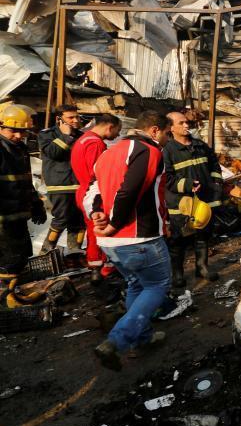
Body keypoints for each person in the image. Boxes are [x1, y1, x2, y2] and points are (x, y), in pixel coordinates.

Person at [83, 111, 172, 371]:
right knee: (157, 285)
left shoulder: (109, 152)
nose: (166, 139)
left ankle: (141, 339)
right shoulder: (147, 151)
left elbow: (93, 190)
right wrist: (114, 223)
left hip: (112, 243)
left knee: (136, 284)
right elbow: (130, 190)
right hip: (138, 235)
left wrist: (97, 214)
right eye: (166, 133)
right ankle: (116, 341)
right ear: (154, 130)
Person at [163, 111, 223, 287]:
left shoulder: (200, 146)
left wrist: (216, 184)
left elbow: (214, 165)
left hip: (203, 202)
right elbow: (167, 178)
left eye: (187, 122)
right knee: (178, 240)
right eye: (181, 123)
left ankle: (202, 267)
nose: (186, 125)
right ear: (171, 128)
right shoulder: (167, 151)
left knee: (203, 236)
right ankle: (178, 274)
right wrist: (188, 184)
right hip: (181, 205)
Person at [0, 104, 46, 296]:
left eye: (22, 132)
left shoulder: (20, 150)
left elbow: (26, 181)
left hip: (17, 215)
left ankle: (9, 295)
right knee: (7, 261)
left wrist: (36, 204)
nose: (19, 136)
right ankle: (6, 299)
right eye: (13, 131)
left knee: (19, 257)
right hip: (3, 218)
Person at [72, 114, 122, 283]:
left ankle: (95, 268)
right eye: (117, 131)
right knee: (101, 232)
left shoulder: (83, 140)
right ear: (110, 126)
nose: (117, 135)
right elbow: (98, 171)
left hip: (84, 191)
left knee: (93, 232)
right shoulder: (96, 143)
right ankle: (106, 271)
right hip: (95, 193)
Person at [37, 105, 85, 253]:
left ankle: (75, 252)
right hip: (60, 186)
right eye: (70, 118)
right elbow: (53, 153)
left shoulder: (81, 135)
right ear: (59, 119)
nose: (75, 120)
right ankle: (46, 251)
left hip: (79, 185)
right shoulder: (47, 134)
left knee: (79, 221)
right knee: (62, 218)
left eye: (76, 117)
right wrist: (66, 136)